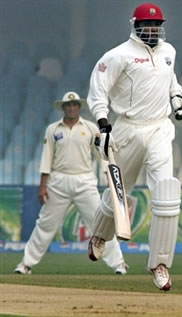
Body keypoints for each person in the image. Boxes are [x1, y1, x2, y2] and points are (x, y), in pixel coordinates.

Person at [86, 3, 182, 291]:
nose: (153, 30)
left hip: (159, 128)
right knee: (119, 190)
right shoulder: (118, 55)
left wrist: (178, 100)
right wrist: (103, 124)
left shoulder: (169, 51)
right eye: (148, 25)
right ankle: (99, 234)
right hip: (128, 129)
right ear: (136, 25)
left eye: (157, 25)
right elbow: (98, 91)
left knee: (167, 193)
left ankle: (160, 264)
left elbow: (172, 83)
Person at [14, 91, 128, 275]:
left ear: (79, 107)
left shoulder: (90, 128)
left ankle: (119, 264)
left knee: (100, 225)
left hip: (84, 180)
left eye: (75, 104)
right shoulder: (53, 129)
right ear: (63, 108)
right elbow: (47, 158)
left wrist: (109, 175)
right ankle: (26, 264)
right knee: (45, 224)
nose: (72, 108)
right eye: (68, 105)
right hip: (58, 181)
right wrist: (43, 185)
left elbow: (102, 154)